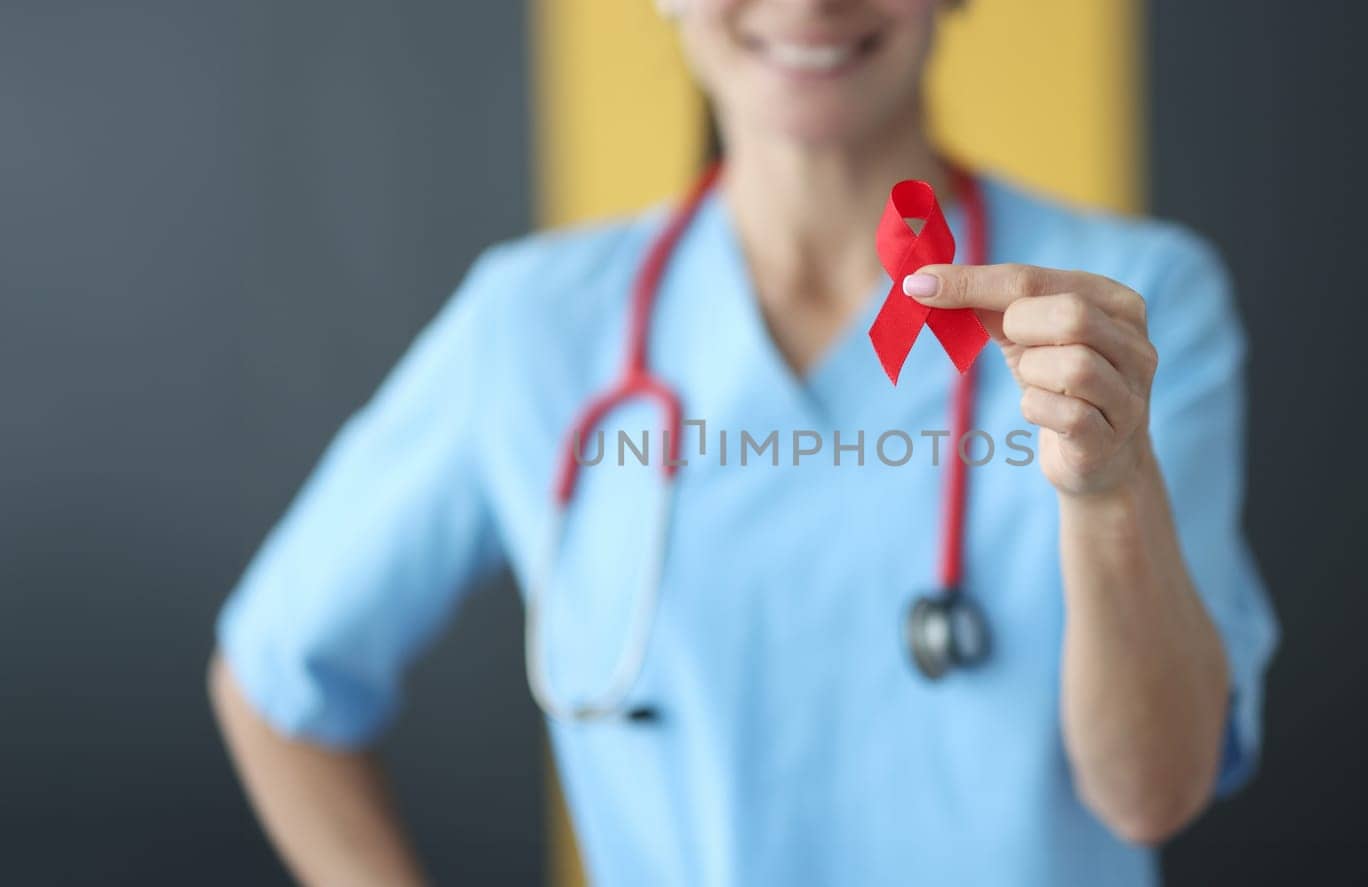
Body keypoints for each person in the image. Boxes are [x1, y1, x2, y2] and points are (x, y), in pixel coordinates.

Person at [208, 1, 1278, 884]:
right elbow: (273, 680)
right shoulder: (533, 327)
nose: (809, 5)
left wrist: (1108, 493)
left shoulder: (1122, 312)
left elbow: (1153, 791)